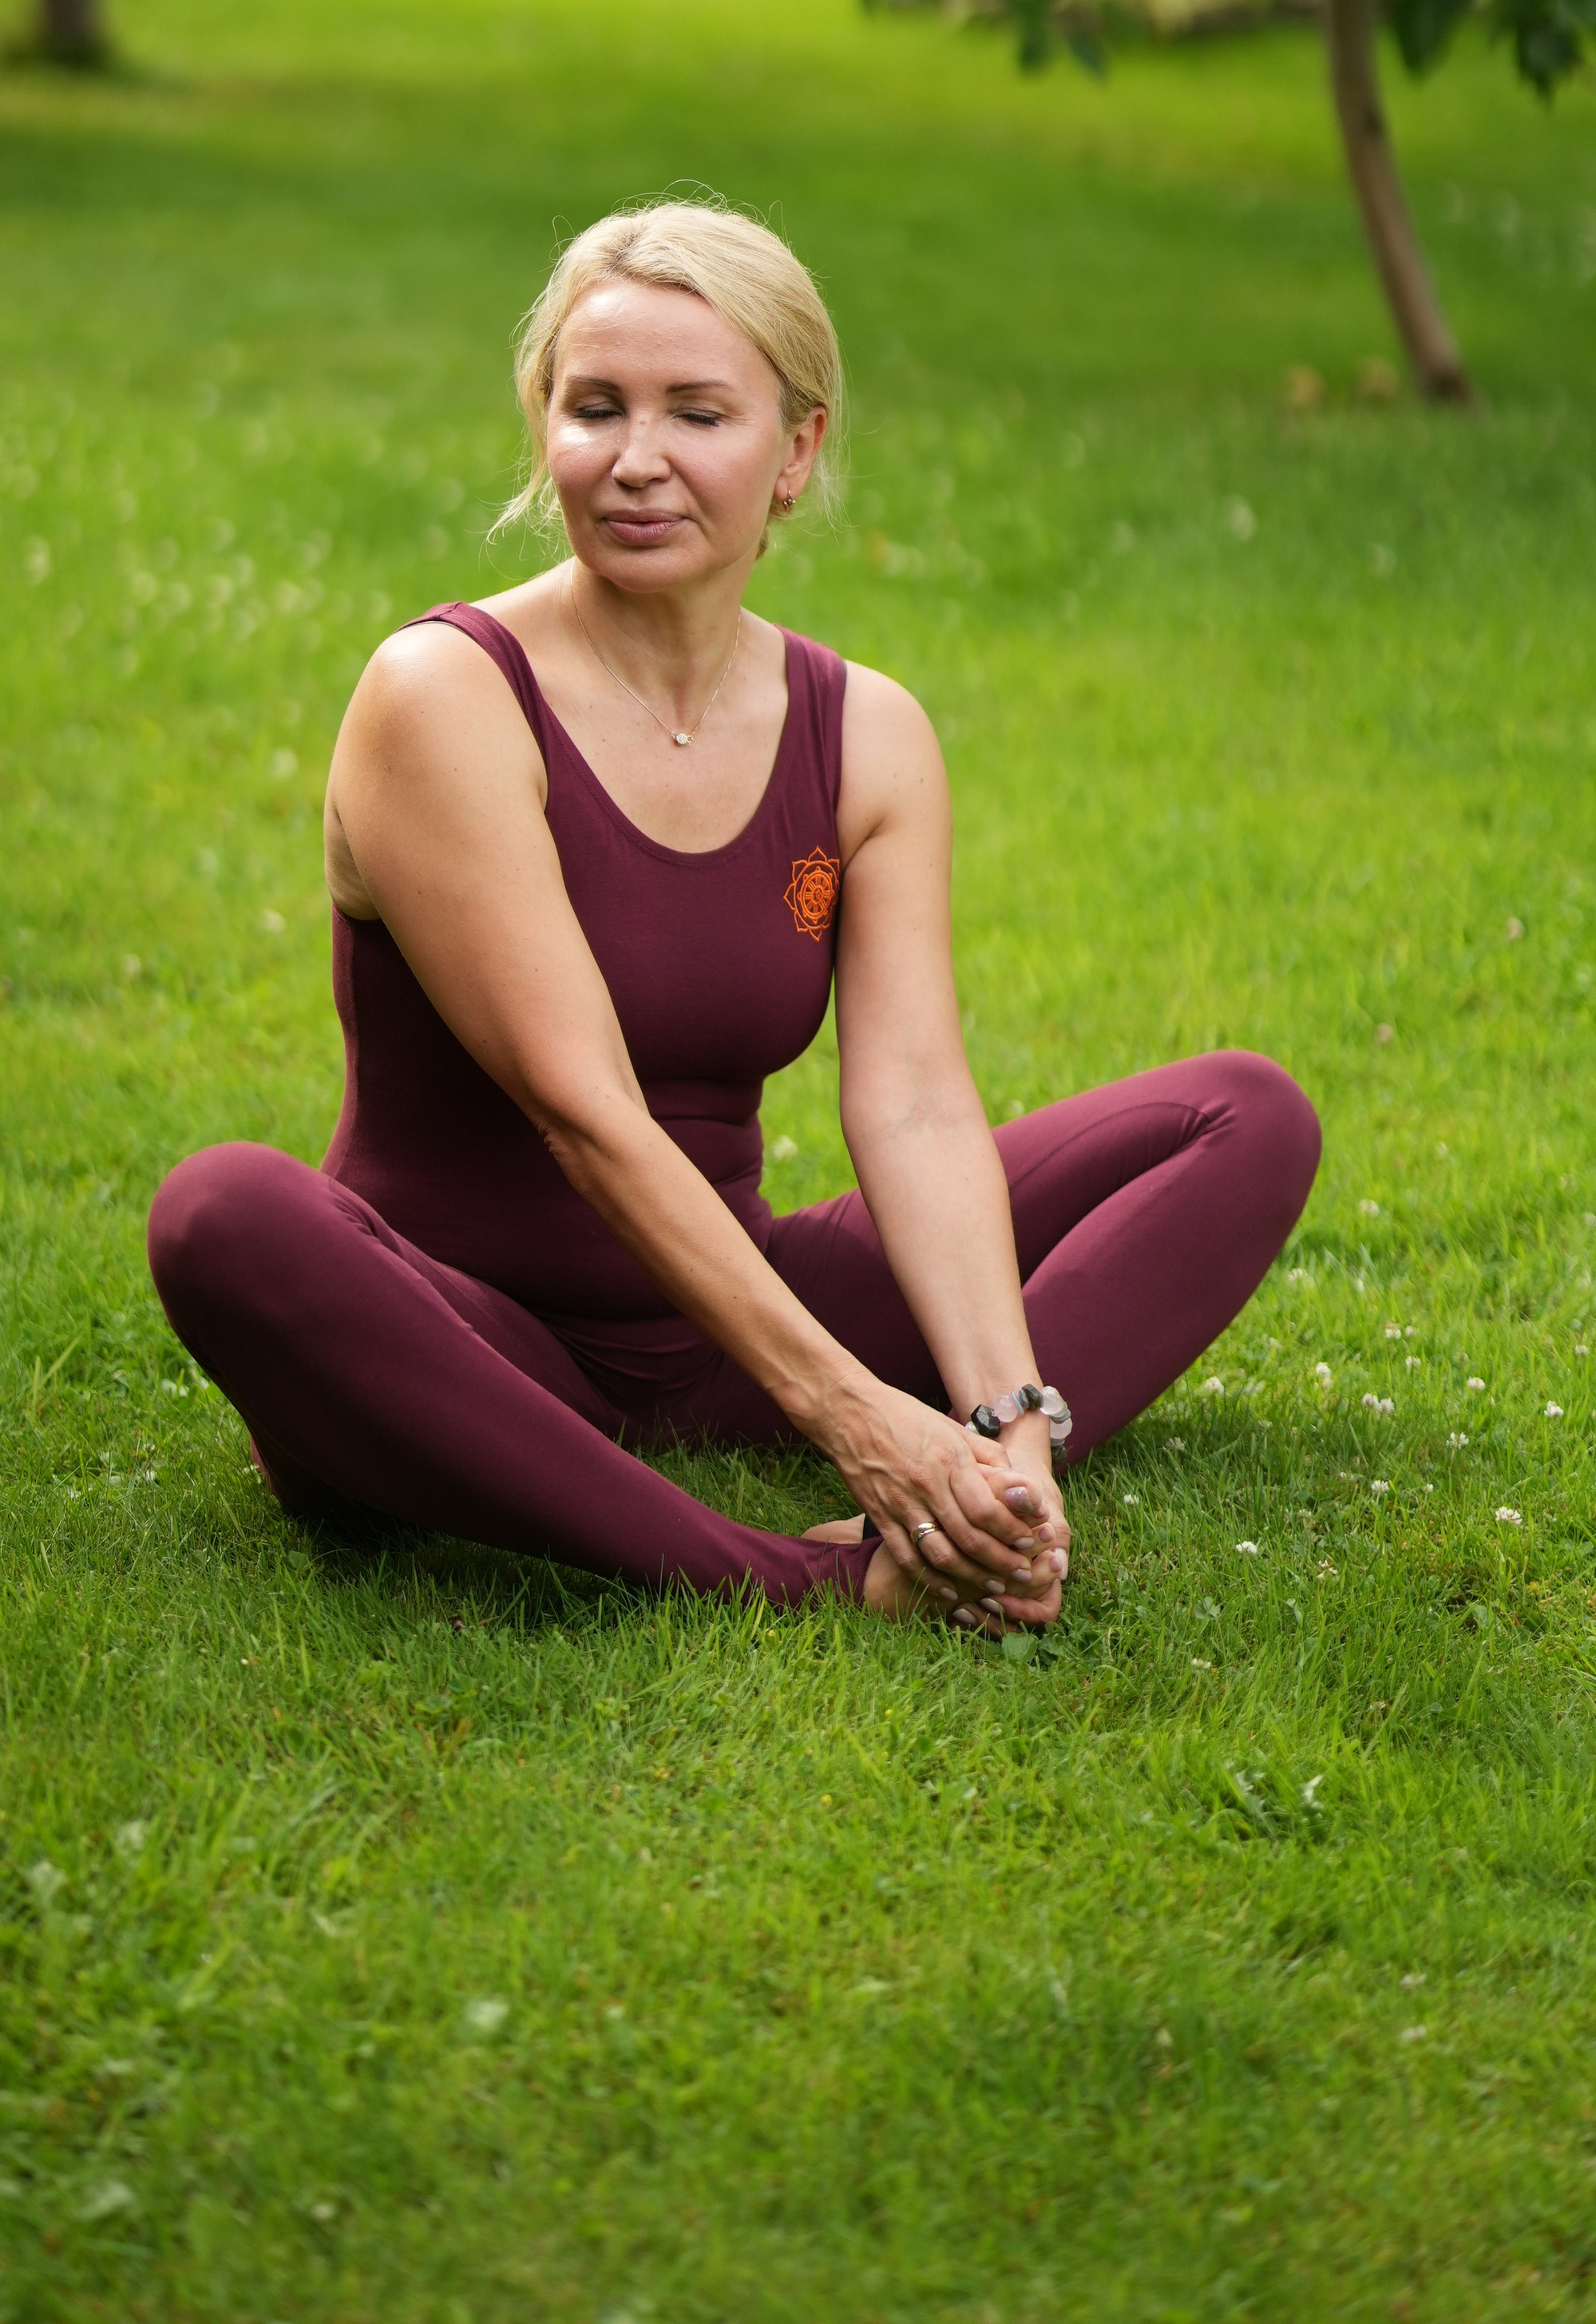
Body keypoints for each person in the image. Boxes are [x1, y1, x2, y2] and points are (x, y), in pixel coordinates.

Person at [149, 200, 1321, 1628]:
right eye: (594, 408)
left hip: (724, 1317)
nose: (636, 459)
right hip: (463, 1338)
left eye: (697, 414)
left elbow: (914, 1103)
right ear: (544, 427)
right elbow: (585, 1113)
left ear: (796, 451)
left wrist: (1009, 1433)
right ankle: (803, 1577)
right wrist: (858, 1420)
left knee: (1243, 1116)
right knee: (224, 1212)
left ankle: (971, 1512)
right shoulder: (444, 697)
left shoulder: (865, 733)